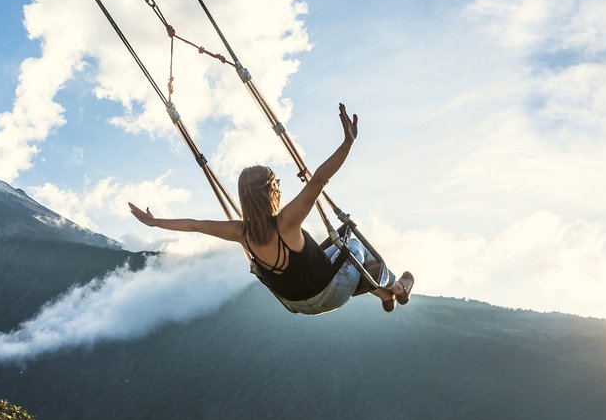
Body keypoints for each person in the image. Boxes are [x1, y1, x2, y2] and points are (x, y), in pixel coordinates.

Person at [128, 104, 414, 314]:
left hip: (295, 302)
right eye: (276, 183)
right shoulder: (287, 221)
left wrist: (155, 223)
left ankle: (384, 296)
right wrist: (347, 144)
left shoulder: (240, 231)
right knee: (353, 245)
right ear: (271, 193)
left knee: (337, 248)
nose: (279, 186)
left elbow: (193, 224)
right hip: (329, 293)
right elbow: (320, 179)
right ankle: (397, 288)